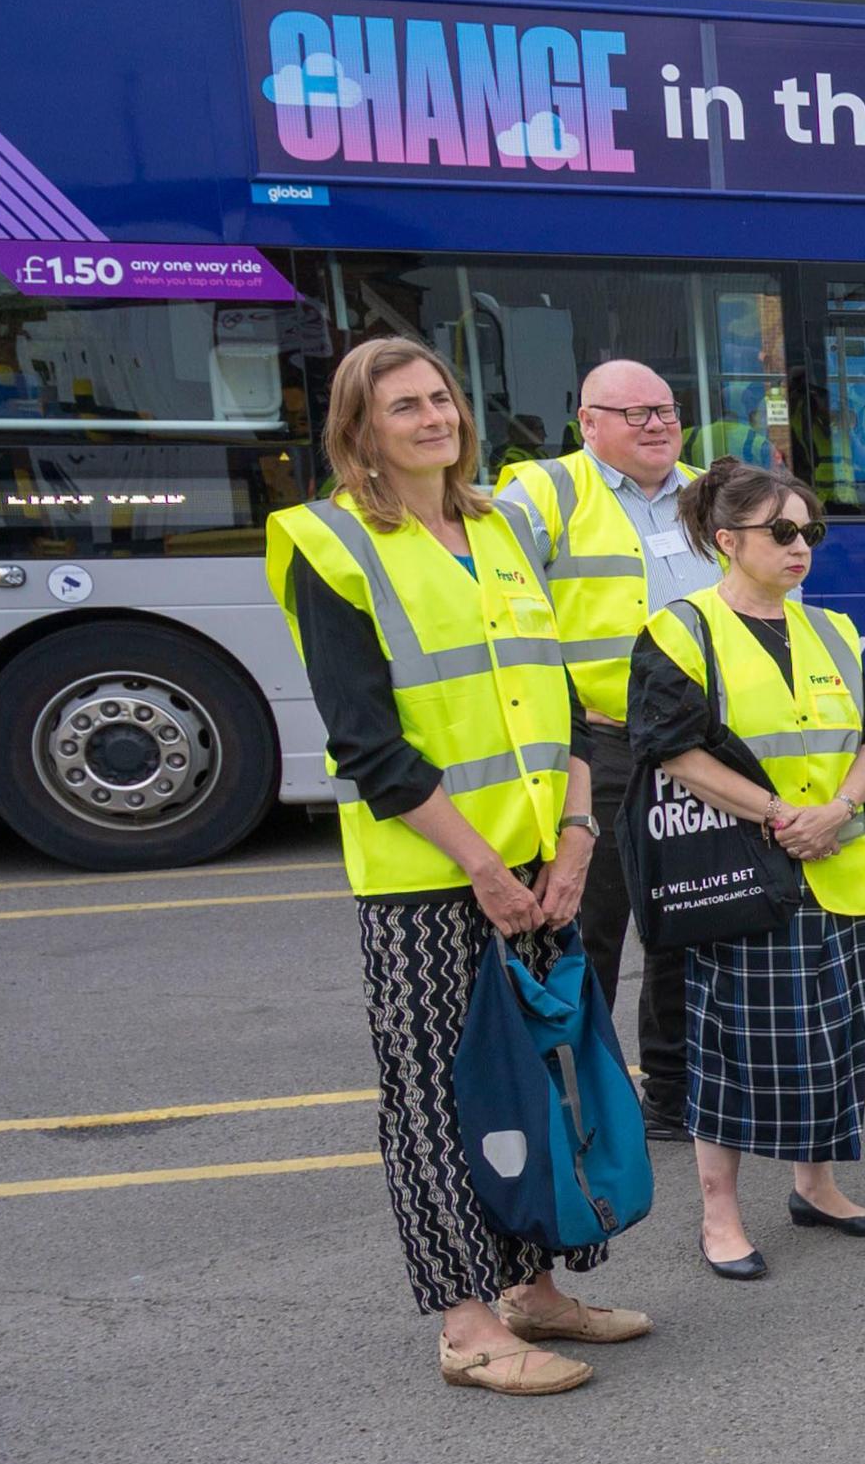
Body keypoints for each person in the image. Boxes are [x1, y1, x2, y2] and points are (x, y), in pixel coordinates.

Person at [269, 336, 638, 1396]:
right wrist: (481, 863)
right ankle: (468, 1326)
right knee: (435, 1100)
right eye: (403, 407)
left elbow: (557, 697)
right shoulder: (326, 542)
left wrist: (573, 840)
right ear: (359, 430)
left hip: (534, 861)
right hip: (434, 877)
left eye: (441, 398)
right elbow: (366, 743)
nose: (434, 418)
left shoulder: (499, 527)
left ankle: (532, 1287)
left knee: (534, 1087)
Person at [630, 462, 865, 1281]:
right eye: (781, 532)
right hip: (746, 873)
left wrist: (840, 811)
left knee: (833, 1039)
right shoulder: (682, 629)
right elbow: (672, 750)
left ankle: (816, 1186)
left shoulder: (834, 632)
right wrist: (783, 817)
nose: (800, 546)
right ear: (725, 541)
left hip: (833, 867)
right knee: (729, 1050)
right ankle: (720, 1216)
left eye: (809, 530)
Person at [497, 359, 714, 1141]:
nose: (657, 424)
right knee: (586, 931)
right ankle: (573, 1095)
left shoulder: (710, 491)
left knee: (684, 924)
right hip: (599, 746)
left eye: (666, 409)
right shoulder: (543, 493)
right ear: (587, 423)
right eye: (634, 413)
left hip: (694, 749)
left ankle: (671, 1093)